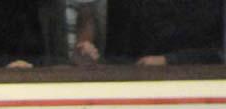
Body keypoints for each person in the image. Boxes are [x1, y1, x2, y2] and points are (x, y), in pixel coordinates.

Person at [72, 0, 223, 66]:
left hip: (194, 80)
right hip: (133, 80)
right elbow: (117, 54)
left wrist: (169, 60)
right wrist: (90, 53)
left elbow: (218, 52)